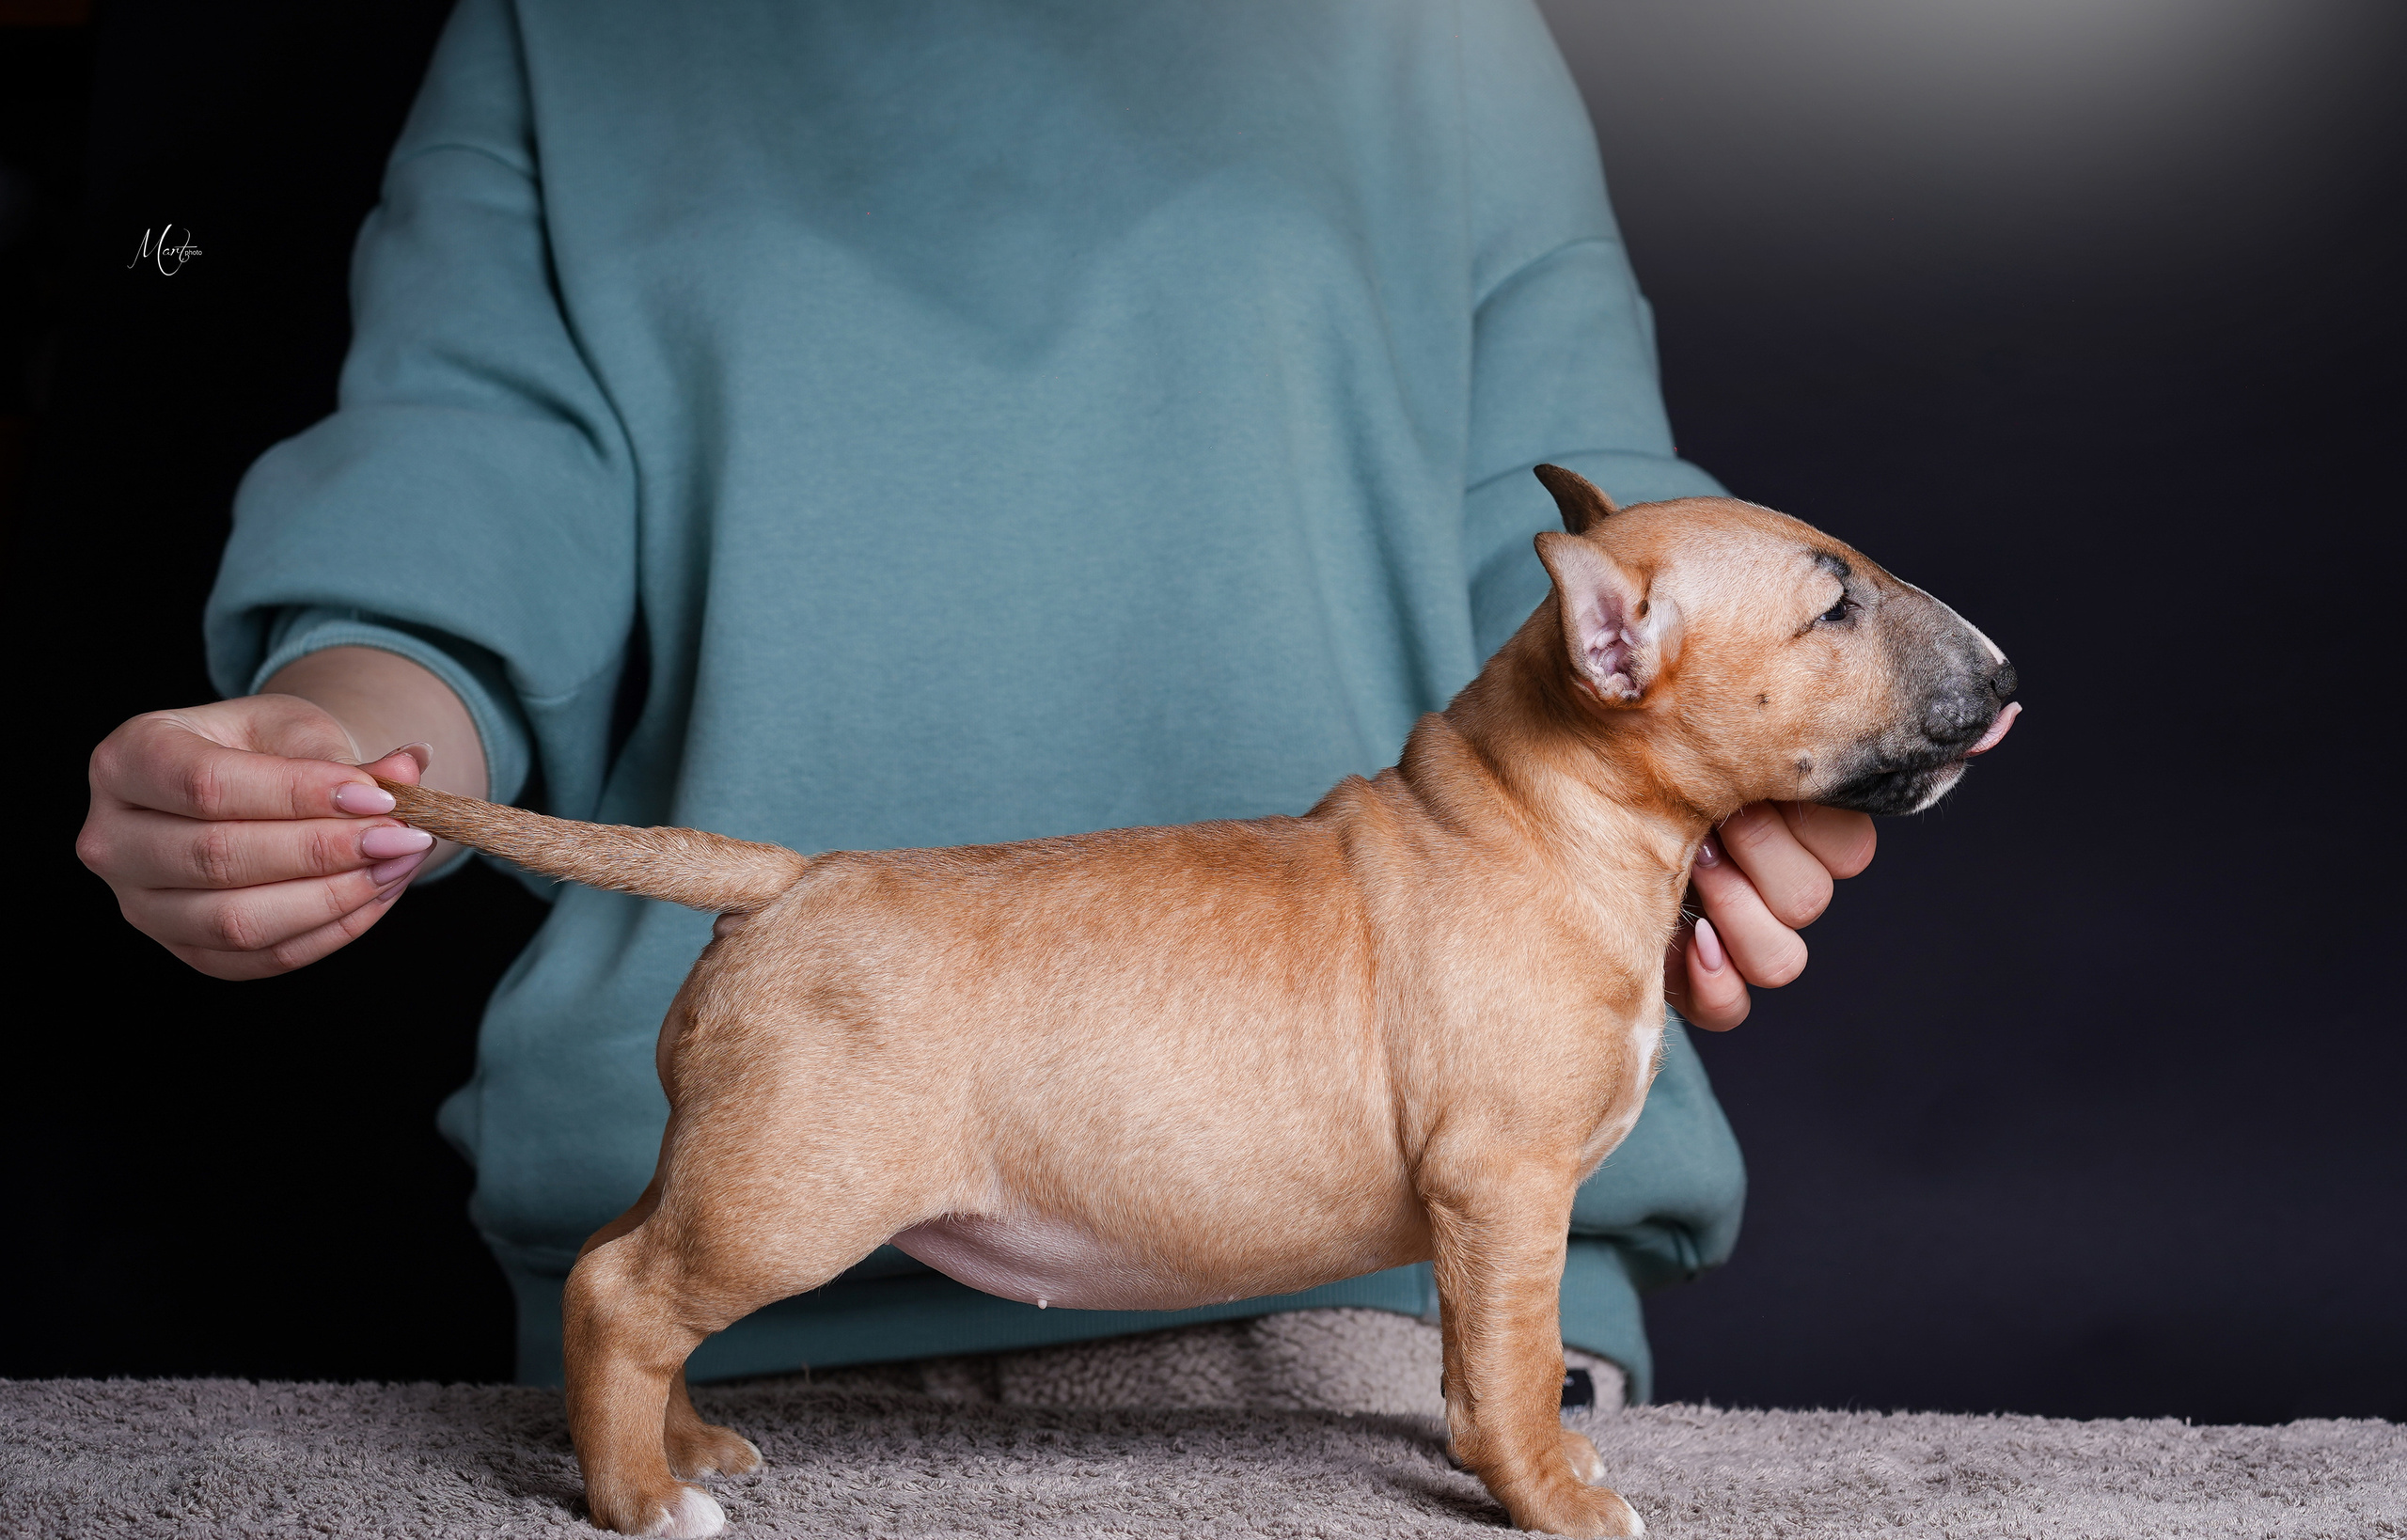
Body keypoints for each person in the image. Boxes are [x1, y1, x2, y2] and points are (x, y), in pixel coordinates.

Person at [76, 0, 1872, 1407]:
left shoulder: (1441, 24)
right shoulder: (569, 25)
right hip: (749, 1313)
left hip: (1386, 1328)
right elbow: (464, 495)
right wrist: (325, 750)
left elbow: (1588, 541)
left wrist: (1714, 811)